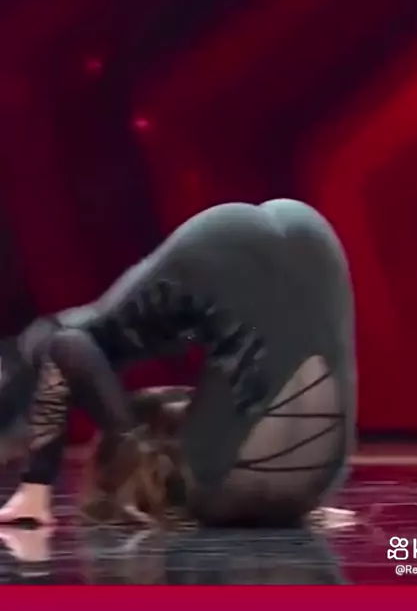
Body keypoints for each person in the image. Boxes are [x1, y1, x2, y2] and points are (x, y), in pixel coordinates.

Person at [0, 199, 356, 527]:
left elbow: (67, 347)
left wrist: (36, 484)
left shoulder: (184, 471)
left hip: (306, 486)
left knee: (89, 334)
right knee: (85, 334)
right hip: (290, 486)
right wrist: (36, 483)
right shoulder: (183, 471)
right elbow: (67, 346)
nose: (176, 397)